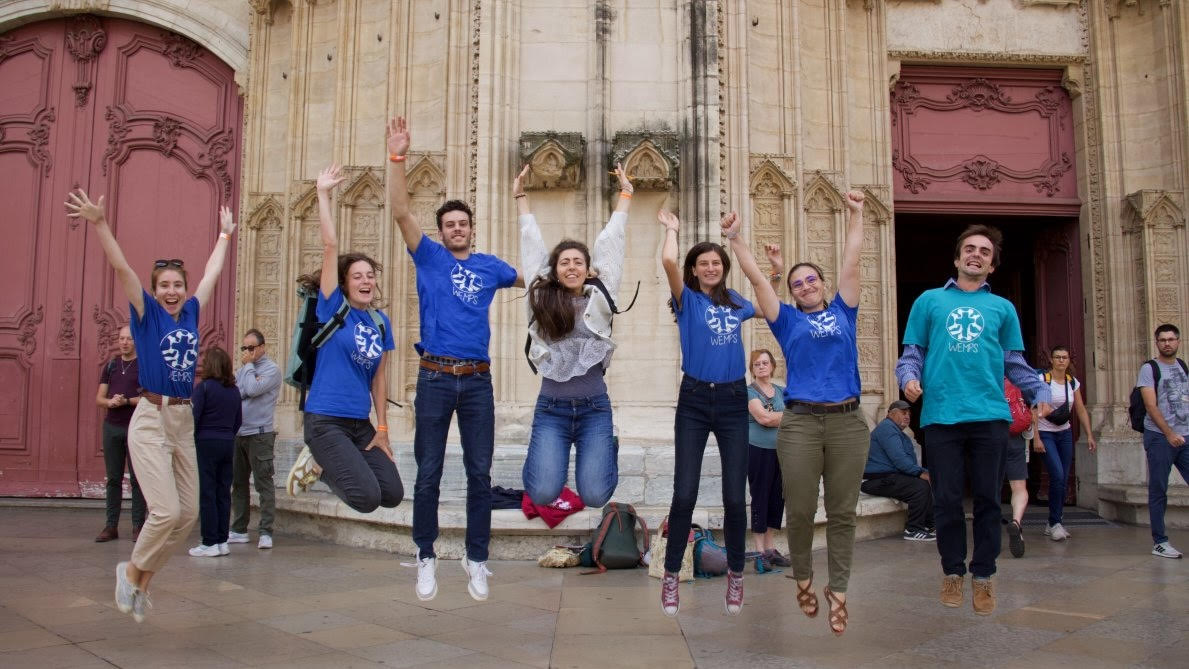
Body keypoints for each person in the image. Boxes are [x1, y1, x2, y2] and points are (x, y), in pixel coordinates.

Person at [65, 188, 235, 623]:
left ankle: (140, 580)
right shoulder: (146, 315)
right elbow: (121, 267)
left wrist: (224, 236)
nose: (174, 291)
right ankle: (132, 572)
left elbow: (212, 277)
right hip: (150, 417)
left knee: (189, 513)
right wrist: (100, 223)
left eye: (178, 285)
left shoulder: (193, 312)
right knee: (166, 511)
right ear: (156, 291)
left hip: (182, 418)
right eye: (165, 286)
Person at [386, 117, 521, 602]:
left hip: (478, 383)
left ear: (471, 229)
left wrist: (580, 274)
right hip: (436, 378)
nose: (457, 229)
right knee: (428, 472)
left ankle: (476, 558)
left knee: (480, 474)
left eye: (463, 224)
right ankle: (426, 555)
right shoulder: (430, 258)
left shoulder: (490, 267)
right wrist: (398, 156)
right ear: (441, 233)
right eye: (449, 225)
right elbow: (402, 212)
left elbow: (536, 276)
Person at [726, 191, 869, 637]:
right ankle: (804, 576)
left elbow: (852, 257)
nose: (805, 287)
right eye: (798, 284)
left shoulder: (846, 310)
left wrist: (856, 213)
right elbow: (756, 279)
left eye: (811, 281)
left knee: (843, 512)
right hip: (802, 421)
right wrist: (735, 240)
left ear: (824, 284)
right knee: (803, 508)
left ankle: (839, 590)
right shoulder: (785, 320)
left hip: (847, 421)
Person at [895, 224, 1051, 617]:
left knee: (985, 499)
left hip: (990, 416)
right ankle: (952, 571)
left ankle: (983, 574)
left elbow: (1015, 362)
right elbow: (912, 353)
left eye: (984, 251)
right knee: (946, 500)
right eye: (969, 248)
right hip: (942, 416)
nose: (976, 254)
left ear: (992, 265)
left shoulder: (1003, 309)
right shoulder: (929, 302)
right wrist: (908, 378)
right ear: (957, 258)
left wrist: (1041, 394)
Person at [285, 164, 404, 520]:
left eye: (370, 275)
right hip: (326, 419)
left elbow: (379, 379)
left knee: (392, 494)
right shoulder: (332, 307)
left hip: (359, 423)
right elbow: (330, 244)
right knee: (365, 498)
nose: (365, 281)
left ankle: (328, 460)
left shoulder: (380, 323)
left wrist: (382, 429)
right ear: (344, 283)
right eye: (357, 276)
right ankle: (318, 460)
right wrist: (323, 194)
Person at [657, 210, 755, 618]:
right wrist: (672, 231)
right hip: (695, 400)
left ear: (724, 268)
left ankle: (735, 573)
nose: (710, 268)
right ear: (694, 271)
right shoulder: (688, 301)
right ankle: (670, 575)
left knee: (735, 497)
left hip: (734, 400)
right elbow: (667, 262)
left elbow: (769, 303)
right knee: (685, 493)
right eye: (703, 263)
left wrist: (738, 240)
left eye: (716, 263)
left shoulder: (737, 303)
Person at [517, 164, 633, 508]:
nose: (571, 266)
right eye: (564, 262)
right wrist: (520, 197)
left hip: (594, 408)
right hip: (551, 408)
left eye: (578, 261)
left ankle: (606, 447)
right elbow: (531, 245)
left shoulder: (601, 296)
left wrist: (626, 194)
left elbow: (612, 241)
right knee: (541, 493)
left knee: (596, 496)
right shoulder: (539, 296)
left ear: (588, 268)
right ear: (555, 268)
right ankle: (542, 456)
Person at [1033, 345, 1097, 542]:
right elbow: (1034, 410)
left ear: (1069, 361)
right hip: (1045, 432)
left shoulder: (1072, 382)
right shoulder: (1042, 380)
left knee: (1062, 478)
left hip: (1065, 433)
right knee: (1058, 476)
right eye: (1057, 357)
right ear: (1051, 360)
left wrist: (1089, 435)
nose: (1061, 360)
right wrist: (1035, 438)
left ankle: (1054, 521)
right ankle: (1055, 522)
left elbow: (1080, 409)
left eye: (1064, 357)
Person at [1136, 323, 1189, 559]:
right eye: (1162, 340)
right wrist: (1168, 434)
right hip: (1160, 438)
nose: (1167, 343)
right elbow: (1150, 405)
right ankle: (1160, 542)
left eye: (1171, 339)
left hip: (1185, 435)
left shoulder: (1182, 366)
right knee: (1159, 489)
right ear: (1157, 343)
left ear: (1178, 341)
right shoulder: (1149, 368)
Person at [229, 328, 282, 550]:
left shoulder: (272, 370)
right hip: (240, 433)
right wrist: (248, 377)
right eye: (244, 348)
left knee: (263, 483)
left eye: (251, 348)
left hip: (260, 434)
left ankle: (266, 531)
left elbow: (250, 389)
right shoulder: (243, 371)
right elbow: (235, 393)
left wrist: (249, 368)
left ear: (262, 348)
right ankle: (239, 529)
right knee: (239, 483)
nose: (247, 352)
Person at [94, 325, 146, 543]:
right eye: (121, 338)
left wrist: (127, 401)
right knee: (113, 478)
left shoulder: (143, 365)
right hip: (112, 427)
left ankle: (138, 526)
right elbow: (99, 398)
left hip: (135, 428)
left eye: (129, 339)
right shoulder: (111, 365)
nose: (124, 342)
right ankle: (111, 525)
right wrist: (110, 402)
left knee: (137, 479)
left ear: (136, 342)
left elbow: (150, 397)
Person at [189, 347, 242, 557]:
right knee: (223, 492)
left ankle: (209, 541)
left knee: (207, 492)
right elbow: (238, 420)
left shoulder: (203, 388)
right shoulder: (234, 390)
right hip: (228, 443)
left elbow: (194, 417)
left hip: (206, 442)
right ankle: (222, 540)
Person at [861, 400, 935, 542]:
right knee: (919, 487)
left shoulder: (897, 432)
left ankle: (931, 525)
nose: (907, 416)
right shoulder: (887, 429)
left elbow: (908, 464)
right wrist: (921, 473)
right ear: (890, 414)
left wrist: (925, 473)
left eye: (908, 414)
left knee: (928, 482)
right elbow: (900, 461)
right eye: (903, 413)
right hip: (875, 480)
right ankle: (913, 529)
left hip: (889, 477)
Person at [745, 349, 791, 567]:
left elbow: (799, 414)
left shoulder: (782, 392)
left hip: (780, 451)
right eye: (757, 364)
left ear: (772, 366)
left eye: (765, 363)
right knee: (760, 496)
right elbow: (763, 418)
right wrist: (788, 417)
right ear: (752, 369)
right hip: (758, 450)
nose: (761, 366)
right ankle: (759, 552)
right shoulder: (750, 392)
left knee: (776, 498)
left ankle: (771, 548)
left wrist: (780, 417)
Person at [1003, 379, 1032, 559]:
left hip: (990, 437)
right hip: (1015, 438)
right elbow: (1034, 409)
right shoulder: (1018, 380)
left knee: (988, 487)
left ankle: (988, 536)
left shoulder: (983, 374)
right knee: (1019, 487)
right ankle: (1016, 522)